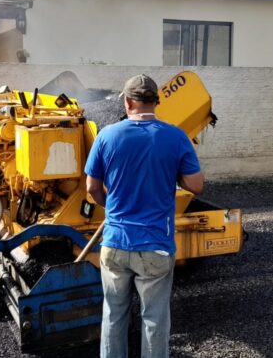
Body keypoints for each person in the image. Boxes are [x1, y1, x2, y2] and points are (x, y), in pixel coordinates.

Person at [85, 74, 204, 358]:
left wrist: (111, 208)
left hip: (115, 242)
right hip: (155, 245)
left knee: (113, 314)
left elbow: (91, 188)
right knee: (154, 318)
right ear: (156, 102)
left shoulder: (107, 135)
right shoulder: (175, 136)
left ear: (127, 102)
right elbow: (196, 185)